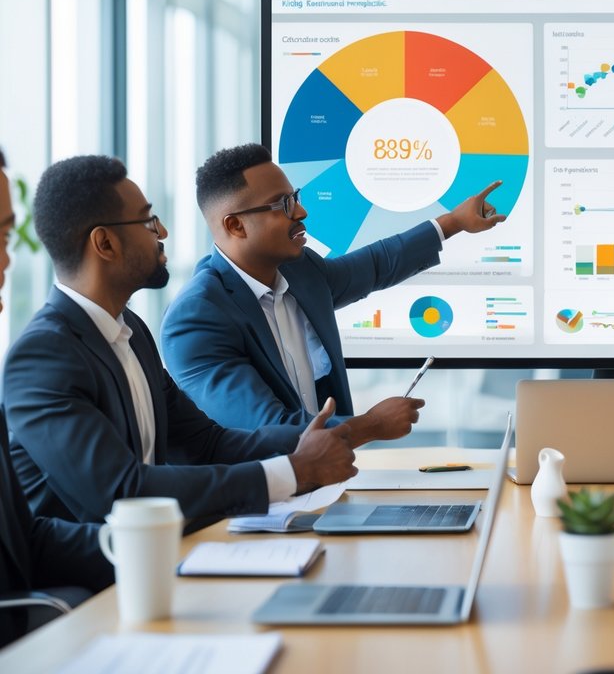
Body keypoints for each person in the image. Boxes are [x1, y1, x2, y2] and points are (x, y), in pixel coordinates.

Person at [2, 154, 406, 529]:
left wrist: (324, 440)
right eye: (148, 222)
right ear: (105, 244)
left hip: (154, 559)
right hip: (87, 588)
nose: (161, 232)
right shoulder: (43, 356)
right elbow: (122, 492)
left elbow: (208, 443)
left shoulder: (133, 333)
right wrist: (296, 471)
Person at [161, 144, 505, 429]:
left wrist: (455, 222)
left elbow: (375, 265)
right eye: (283, 204)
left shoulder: (301, 270)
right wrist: (371, 425)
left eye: (294, 197)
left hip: (322, 484)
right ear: (235, 226)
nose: (301, 211)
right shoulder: (196, 318)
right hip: (254, 502)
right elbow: (270, 427)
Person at [0, 148, 113, 648]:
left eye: (5, 236)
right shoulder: (42, 353)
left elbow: (26, 540)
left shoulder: (134, 339)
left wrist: (146, 545)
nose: (7, 259)